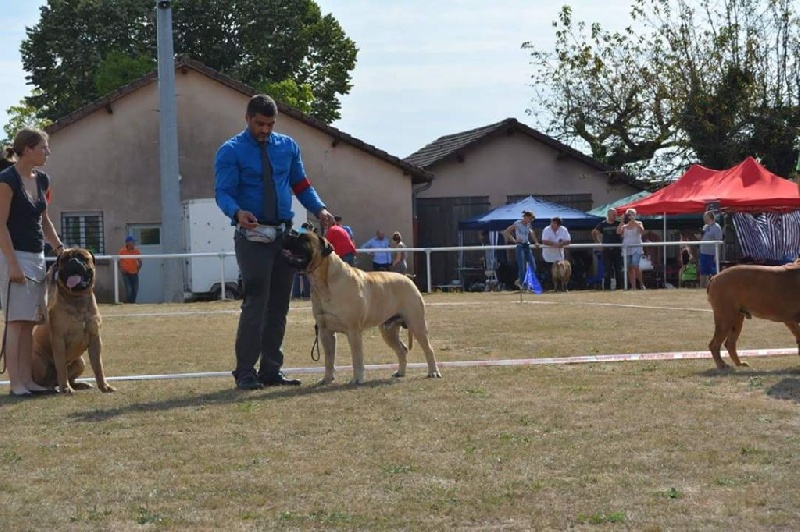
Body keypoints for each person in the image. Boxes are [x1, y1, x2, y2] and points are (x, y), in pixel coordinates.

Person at [215, 94, 335, 390]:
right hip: (252, 237)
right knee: (256, 302)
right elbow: (223, 192)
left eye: (270, 124)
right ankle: (245, 371)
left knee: (280, 304)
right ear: (247, 119)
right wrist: (237, 212)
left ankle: (271, 370)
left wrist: (319, 208)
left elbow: (301, 185)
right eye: (259, 124)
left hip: (284, 236)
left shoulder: (288, 147)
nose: (265, 130)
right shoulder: (230, 151)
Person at [0, 128, 65, 397]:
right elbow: (0, 225)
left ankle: (28, 381)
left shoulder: (43, 179)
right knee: (16, 321)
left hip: (38, 257)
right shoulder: (6, 180)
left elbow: (44, 220)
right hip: (13, 257)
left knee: (30, 321)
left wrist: (60, 248)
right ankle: (16, 383)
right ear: (27, 149)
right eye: (43, 147)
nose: (47, 152)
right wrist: (13, 264)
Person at [504, 210, 540, 290]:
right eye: (530, 219)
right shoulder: (517, 223)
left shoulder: (529, 225)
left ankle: (521, 280)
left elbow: (532, 233)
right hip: (520, 246)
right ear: (526, 217)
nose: (530, 221)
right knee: (521, 266)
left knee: (533, 265)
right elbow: (507, 231)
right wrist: (514, 240)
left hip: (527, 245)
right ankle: (522, 283)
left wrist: (536, 242)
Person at [591, 208, 623, 290]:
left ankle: (620, 287)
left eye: (616, 214)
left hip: (617, 250)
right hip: (607, 251)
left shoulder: (618, 223)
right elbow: (594, 233)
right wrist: (598, 243)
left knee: (618, 270)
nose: (615, 216)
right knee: (607, 270)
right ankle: (606, 288)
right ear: (608, 215)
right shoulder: (603, 224)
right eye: (613, 214)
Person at [616, 208, 646, 289]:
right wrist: (622, 221)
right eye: (629, 214)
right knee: (629, 267)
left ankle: (641, 284)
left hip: (637, 248)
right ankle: (633, 286)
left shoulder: (639, 223)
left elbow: (642, 231)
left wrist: (634, 222)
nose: (631, 215)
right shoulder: (624, 226)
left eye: (633, 214)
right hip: (627, 248)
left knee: (635, 265)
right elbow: (618, 232)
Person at [698, 210, 723, 288]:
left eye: (705, 216)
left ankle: (714, 288)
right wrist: (699, 237)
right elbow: (703, 238)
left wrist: (717, 255)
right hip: (703, 253)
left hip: (712, 254)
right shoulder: (705, 227)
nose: (703, 218)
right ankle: (701, 288)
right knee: (702, 272)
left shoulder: (717, 227)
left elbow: (719, 242)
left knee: (713, 273)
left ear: (709, 217)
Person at [118, 235, 142, 303]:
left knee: (135, 289)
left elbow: (140, 262)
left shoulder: (137, 251)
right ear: (128, 243)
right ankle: (130, 302)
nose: (134, 243)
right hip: (126, 273)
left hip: (134, 273)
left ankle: (132, 302)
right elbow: (118, 262)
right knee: (129, 289)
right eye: (132, 242)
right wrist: (121, 269)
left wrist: (138, 269)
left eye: (134, 242)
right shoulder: (122, 251)